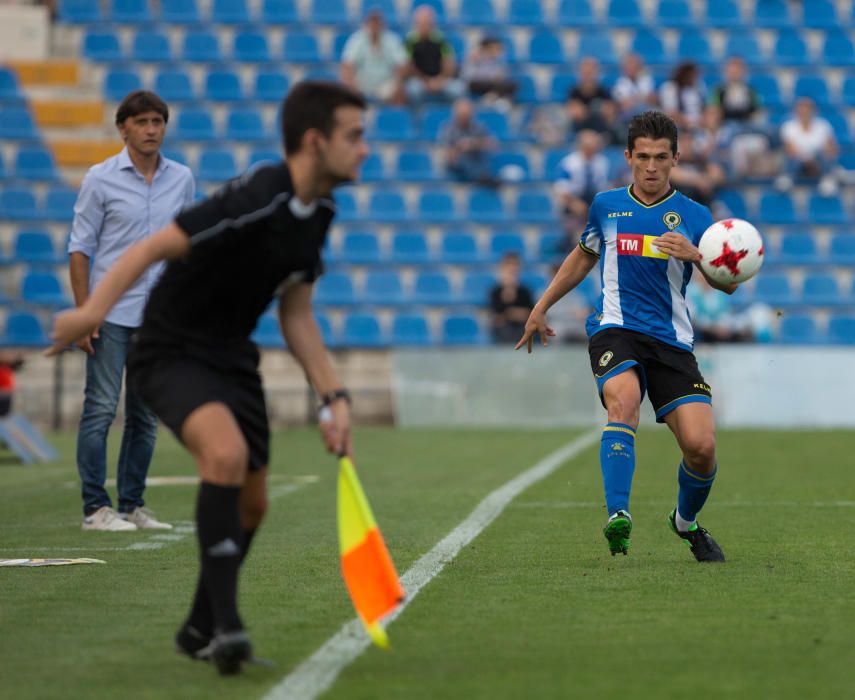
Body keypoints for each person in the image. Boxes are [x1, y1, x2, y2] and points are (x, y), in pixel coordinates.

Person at [49, 81, 365, 674]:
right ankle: (227, 630)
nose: (366, 149)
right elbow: (151, 249)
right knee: (223, 455)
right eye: (355, 136)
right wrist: (92, 312)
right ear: (316, 142)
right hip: (169, 346)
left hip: (232, 356)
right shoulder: (260, 193)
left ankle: (197, 625)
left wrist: (334, 396)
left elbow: (296, 313)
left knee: (253, 504)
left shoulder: (318, 213)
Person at [516, 111, 733, 563]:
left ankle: (685, 522)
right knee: (624, 403)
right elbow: (583, 257)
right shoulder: (607, 207)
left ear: (675, 159)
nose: (651, 167)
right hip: (615, 329)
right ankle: (619, 515)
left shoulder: (695, 215)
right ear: (628, 157)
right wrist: (541, 307)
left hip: (672, 342)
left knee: (702, 448)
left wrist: (695, 254)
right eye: (643, 158)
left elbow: (728, 281)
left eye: (661, 158)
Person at [68, 90, 194, 532]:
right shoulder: (99, 179)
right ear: (123, 128)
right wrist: (85, 312)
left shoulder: (182, 179)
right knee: (101, 409)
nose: (151, 130)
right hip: (109, 313)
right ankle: (94, 509)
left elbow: (184, 248)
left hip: (156, 318)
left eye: (158, 121)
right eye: (141, 122)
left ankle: (130, 505)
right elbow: (80, 249)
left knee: (144, 417)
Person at [553, 129, 611, 248]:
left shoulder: (602, 162)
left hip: (593, 198)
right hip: (573, 199)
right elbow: (561, 188)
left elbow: (604, 186)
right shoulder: (569, 163)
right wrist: (575, 203)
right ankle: (571, 240)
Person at [340, 5, 407, 104]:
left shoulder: (391, 40)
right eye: (372, 22)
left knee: (401, 91)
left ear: (382, 24)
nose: (375, 25)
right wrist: (352, 86)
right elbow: (347, 65)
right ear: (367, 23)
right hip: (362, 84)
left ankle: (394, 118)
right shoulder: (357, 39)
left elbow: (402, 65)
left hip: (385, 84)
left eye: (377, 22)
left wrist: (398, 83)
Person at [403, 4, 465, 103]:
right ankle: (419, 117)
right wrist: (426, 81)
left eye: (427, 23)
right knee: (413, 89)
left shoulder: (441, 39)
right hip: (420, 81)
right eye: (421, 23)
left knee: (458, 90)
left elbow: (449, 64)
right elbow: (408, 67)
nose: (424, 26)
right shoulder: (410, 41)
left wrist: (439, 80)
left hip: (440, 80)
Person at [778, 97, 840, 194]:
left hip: (818, 161)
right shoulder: (788, 126)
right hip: (799, 162)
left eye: (807, 108)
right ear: (796, 110)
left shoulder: (823, 125)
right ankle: (788, 177)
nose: (804, 111)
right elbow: (790, 149)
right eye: (801, 108)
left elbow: (830, 147)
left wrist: (814, 157)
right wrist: (807, 158)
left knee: (823, 155)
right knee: (791, 158)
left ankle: (827, 179)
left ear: (813, 110)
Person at [441, 97, 498, 184]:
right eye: (462, 115)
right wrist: (459, 148)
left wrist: (472, 144)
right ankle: (481, 177)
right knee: (464, 158)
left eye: (467, 114)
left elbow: (493, 144)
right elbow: (449, 156)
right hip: (458, 167)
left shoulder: (479, 127)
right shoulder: (449, 129)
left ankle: (482, 176)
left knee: (481, 156)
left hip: (477, 159)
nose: (464, 117)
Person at [566, 57, 618, 143]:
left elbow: (610, 113)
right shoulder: (574, 91)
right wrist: (597, 109)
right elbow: (575, 113)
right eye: (585, 73)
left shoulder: (603, 91)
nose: (588, 76)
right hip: (580, 132)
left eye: (590, 73)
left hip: (601, 132)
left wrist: (586, 111)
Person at [489, 252, 534, 343]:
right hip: (504, 330)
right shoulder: (496, 291)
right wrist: (508, 289)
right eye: (509, 264)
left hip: (522, 327)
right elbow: (498, 318)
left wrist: (509, 314)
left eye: (516, 264)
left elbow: (530, 315)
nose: (513, 268)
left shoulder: (525, 290)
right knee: (505, 331)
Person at [461, 35, 517, 106]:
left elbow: (500, 77)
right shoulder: (474, 57)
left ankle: (491, 97)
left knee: (511, 84)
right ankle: (495, 97)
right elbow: (468, 76)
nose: (497, 51)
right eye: (495, 48)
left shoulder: (497, 60)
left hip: (491, 85)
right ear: (487, 48)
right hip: (476, 83)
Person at [659, 61, 706, 130]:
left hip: (698, 124)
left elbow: (703, 107)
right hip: (678, 125)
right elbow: (671, 112)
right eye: (692, 75)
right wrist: (688, 122)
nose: (695, 78)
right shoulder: (670, 87)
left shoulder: (698, 86)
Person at [612, 53, 656, 124]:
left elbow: (651, 99)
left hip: (646, 113)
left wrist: (635, 100)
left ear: (639, 66)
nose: (631, 67)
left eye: (633, 64)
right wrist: (640, 98)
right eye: (628, 64)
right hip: (627, 116)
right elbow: (625, 105)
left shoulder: (646, 80)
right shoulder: (620, 83)